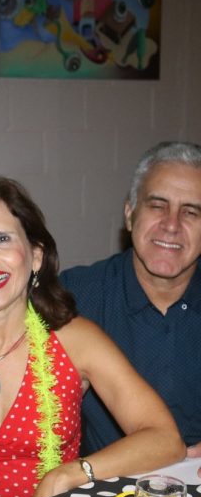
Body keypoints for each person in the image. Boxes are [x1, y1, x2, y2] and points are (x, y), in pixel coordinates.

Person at [0, 175, 186, 497]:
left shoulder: (77, 342)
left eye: (3, 238)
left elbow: (165, 438)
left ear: (36, 256)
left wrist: (74, 472)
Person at [60, 141, 201, 457]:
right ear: (129, 214)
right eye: (157, 206)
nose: (171, 225)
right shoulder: (75, 296)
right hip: (106, 480)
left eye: (191, 212)